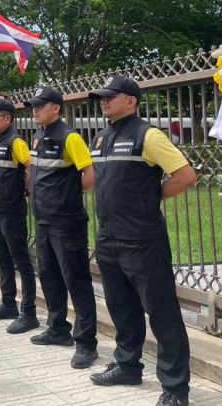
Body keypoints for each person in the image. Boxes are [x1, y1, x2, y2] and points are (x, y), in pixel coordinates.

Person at [87, 76, 197, 406]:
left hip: (142, 238)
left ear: (131, 101)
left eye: (111, 97)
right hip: (108, 238)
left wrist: (152, 199)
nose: (104, 102)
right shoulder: (102, 137)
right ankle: (127, 365)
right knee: (122, 308)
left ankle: (176, 388)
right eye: (102, 98)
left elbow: (186, 175)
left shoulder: (148, 135)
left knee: (162, 313)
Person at [23, 87, 99, 369]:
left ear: (56, 108)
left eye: (40, 106)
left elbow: (91, 175)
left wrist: (69, 193)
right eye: (33, 106)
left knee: (76, 281)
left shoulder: (70, 137)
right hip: (43, 220)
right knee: (50, 277)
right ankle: (57, 329)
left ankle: (86, 343)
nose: (35, 110)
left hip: (66, 222)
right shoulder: (38, 136)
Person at [0, 98, 40, 334]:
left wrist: (21, 187)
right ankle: (8, 304)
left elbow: (32, 168)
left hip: (11, 211)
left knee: (21, 262)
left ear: (8, 118)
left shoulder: (16, 142)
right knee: (3, 259)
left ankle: (29, 312)